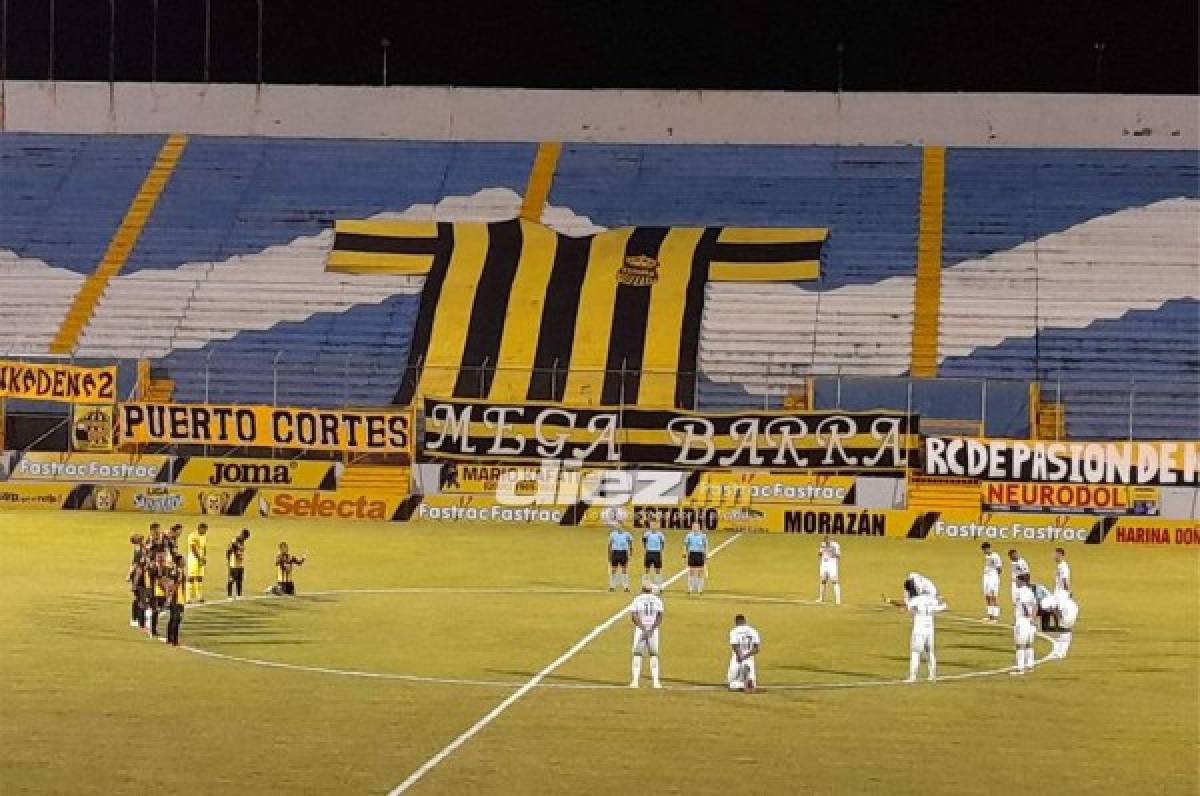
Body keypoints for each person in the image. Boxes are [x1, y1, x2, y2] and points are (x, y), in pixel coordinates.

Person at [901, 576, 946, 683]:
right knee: (930, 652)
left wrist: (890, 601)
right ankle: (932, 675)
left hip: (918, 630)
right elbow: (942, 606)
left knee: (915, 652)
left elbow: (905, 606)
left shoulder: (916, 600)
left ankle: (912, 677)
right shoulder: (931, 599)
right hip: (930, 630)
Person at [629, 584, 664, 689]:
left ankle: (635, 681)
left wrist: (643, 629)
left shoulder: (637, 599)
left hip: (641, 630)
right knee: (653, 654)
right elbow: (660, 616)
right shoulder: (658, 600)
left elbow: (634, 616)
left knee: (637, 654)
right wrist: (652, 629)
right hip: (653, 631)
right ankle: (656, 682)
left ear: (642, 589)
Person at [1012, 573, 1038, 675]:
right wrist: (1032, 619)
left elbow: (1023, 604)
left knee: (1019, 645)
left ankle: (1020, 669)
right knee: (1028, 645)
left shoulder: (1020, 591)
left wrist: (1027, 616)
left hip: (1022, 620)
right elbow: (1035, 605)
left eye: (1017, 580)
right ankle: (1030, 666)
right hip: (1029, 622)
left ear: (1021, 581)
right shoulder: (1029, 591)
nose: (1016, 582)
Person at [727, 614, 761, 693]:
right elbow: (756, 649)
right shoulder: (753, 631)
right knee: (751, 678)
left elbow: (735, 645)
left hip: (737, 657)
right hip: (749, 657)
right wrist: (746, 656)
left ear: (736, 622)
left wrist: (740, 656)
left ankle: (742, 684)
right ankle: (748, 681)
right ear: (745, 621)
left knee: (731, 683)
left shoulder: (734, 631)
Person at [163, 553, 187, 647]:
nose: (184, 561)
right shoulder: (178, 572)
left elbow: (169, 584)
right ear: (179, 562)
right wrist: (170, 596)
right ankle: (174, 641)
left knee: (172, 618)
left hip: (175, 598)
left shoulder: (174, 571)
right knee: (176, 619)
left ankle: (169, 638)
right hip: (177, 598)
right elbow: (172, 585)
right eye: (183, 560)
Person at [1048, 591, 1080, 660]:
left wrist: (1053, 610)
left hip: (1063, 623)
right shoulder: (1075, 605)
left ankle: (1058, 654)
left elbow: (1059, 614)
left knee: (1060, 638)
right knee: (1065, 638)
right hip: (1070, 623)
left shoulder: (1063, 603)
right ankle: (1061, 653)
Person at [683, 522, 708, 594]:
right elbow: (686, 545)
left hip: (700, 554)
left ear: (699, 528)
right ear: (692, 528)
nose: (695, 528)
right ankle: (690, 588)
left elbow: (706, 545)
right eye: (694, 527)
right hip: (692, 554)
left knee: (700, 571)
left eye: (696, 527)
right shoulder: (689, 536)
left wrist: (706, 554)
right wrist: (684, 553)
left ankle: (699, 588)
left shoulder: (703, 536)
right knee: (691, 571)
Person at [607, 522, 634, 592]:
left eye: (619, 525)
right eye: (616, 525)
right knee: (613, 570)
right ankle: (612, 586)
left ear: (622, 525)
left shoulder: (627, 535)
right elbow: (609, 545)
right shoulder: (612, 534)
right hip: (615, 553)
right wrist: (609, 555)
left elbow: (630, 545)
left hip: (623, 553)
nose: (618, 526)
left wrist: (630, 554)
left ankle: (626, 587)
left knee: (624, 570)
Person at [186, 523, 209, 603]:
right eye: (205, 529)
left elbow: (204, 547)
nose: (206, 531)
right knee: (191, 577)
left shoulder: (204, 536)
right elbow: (193, 548)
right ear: (200, 528)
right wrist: (199, 559)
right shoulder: (192, 536)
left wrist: (204, 557)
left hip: (201, 558)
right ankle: (188, 597)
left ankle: (199, 597)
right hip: (193, 558)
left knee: (200, 577)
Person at [816, 535, 841, 604]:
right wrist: (820, 554)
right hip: (824, 564)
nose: (827, 542)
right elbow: (820, 553)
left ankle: (838, 600)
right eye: (826, 541)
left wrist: (833, 554)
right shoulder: (823, 544)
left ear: (831, 540)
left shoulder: (835, 545)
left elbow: (838, 556)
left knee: (834, 581)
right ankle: (821, 598)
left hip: (832, 565)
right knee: (823, 581)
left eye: (828, 541)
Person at [981, 542, 1003, 621]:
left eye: (984, 550)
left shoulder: (995, 556)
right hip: (986, 576)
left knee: (993, 596)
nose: (984, 552)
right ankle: (989, 615)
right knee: (987, 596)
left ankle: (996, 617)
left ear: (988, 548)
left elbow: (1000, 569)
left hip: (993, 577)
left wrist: (994, 577)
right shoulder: (987, 556)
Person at [226, 529, 250, 598]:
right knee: (232, 579)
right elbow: (229, 550)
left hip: (240, 563)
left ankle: (239, 595)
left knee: (239, 579)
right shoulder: (234, 541)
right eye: (245, 537)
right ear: (242, 534)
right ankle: (229, 595)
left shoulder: (242, 542)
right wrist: (229, 560)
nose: (245, 539)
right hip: (233, 563)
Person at [641, 522, 666, 589]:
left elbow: (662, 544)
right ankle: (645, 586)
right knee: (647, 569)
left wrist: (660, 551)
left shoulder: (660, 535)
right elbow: (644, 542)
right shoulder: (646, 534)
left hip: (657, 553)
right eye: (652, 525)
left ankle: (659, 586)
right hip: (649, 552)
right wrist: (646, 550)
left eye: (655, 525)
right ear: (650, 526)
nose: (653, 526)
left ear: (657, 526)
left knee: (657, 570)